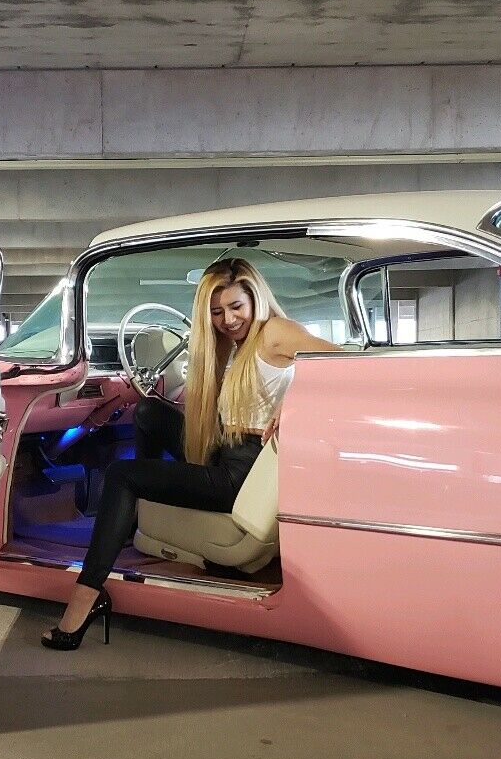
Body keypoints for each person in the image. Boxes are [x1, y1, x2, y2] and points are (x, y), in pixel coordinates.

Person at [42, 256, 342, 648]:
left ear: (255, 298)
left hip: (239, 474)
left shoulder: (274, 333)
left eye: (236, 306)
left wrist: (293, 407)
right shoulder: (234, 345)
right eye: (217, 312)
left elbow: (346, 361)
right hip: (223, 449)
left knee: (120, 475)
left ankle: (86, 596)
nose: (228, 319)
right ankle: (132, 519)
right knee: (148, 411)